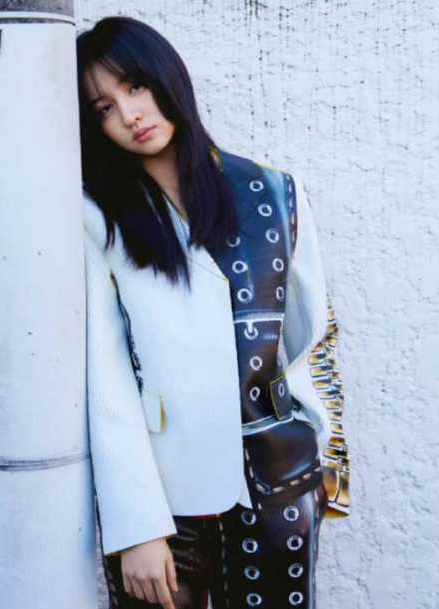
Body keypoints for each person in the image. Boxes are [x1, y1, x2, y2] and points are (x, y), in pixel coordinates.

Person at [76, 15, 350, 609]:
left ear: (166, 77)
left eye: (135, 86)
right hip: (164, 501)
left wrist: (325, 463)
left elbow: (313, 339)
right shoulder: (97, 217)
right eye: (104, 108)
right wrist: (137, 526)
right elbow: (105, 380)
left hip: (277, 487)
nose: (130, 115)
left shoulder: (273, 194)